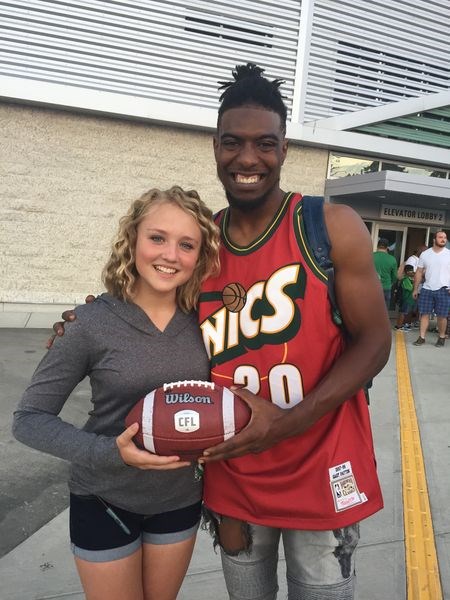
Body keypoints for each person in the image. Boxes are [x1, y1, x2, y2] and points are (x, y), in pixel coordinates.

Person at [50, 64, 391, 600]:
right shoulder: (201, 242)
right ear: (215, 146)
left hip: (322, 459)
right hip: (234, 468)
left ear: (284, 147)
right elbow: (150, 304)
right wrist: (89, 317)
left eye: (265, 143)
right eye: (233, 142)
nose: (248, 158)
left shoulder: (329, 225)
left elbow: (375, 342)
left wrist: (287, 422)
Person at [13, 186, 221, 600]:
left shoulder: (210, 323)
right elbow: (29, 419)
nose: (169, 255)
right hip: (104, 496)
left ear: (200, 256)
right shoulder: (89, 322)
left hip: (178, 499)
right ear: (133, 239)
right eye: (157, 238)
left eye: (186, 244)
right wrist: (111, 452)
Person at [412, 230, 450, 347]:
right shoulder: (425, 254)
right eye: (440, 237)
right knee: (424, 314)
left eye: (445, 238)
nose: (443, 239)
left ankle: (442, 337)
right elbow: (418, 272)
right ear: (434, 239)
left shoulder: (449, 254)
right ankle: (422, 337)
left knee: (442, 316)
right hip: (427, 289)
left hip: (444, 289)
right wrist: (415, 289)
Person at [373, 237, 398, 309]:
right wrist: (391, 283)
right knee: (384, 311)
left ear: (377, 246)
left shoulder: (371, 256)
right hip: (386, 287)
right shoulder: (392, 259)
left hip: (372, 287)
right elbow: (394, 277)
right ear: (387, 247)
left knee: (371, 309)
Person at [393, 264, 416, 330]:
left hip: (409, 299)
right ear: (406, 272)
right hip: (405, 299)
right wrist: (415, 283)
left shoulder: (409, 278)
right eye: (410, 271)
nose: (412, 272)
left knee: (406, 312)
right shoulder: (405, 279)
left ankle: (402, 325)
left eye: (412, 270)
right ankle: (399, 326)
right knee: (402, 312)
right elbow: (410, 288)